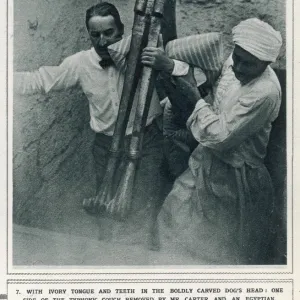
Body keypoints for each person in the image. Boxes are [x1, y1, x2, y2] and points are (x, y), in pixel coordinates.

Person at [14, 2, 187, 248]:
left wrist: (167, 64)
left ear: (122, 30)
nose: (103, 40)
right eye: (95, 35)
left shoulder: (143, 51)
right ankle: (107, 260)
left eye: (109, 33)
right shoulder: (81, 62)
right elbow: (41, 80)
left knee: (141, 208)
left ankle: (137, 263)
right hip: (105, 147)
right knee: (105, 210)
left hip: (148, 141)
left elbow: (188, 74)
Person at [157, 18, 283, 264]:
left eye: (249, 64)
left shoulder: (265, 92)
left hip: (236, 178)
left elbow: (220, 136)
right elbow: (217, 92)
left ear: (266, 64)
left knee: (220, 244)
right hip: (206, 161)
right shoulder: (233, 63)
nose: (239, 67)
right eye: (237, 58)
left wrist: (194, 98)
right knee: (173, 215)